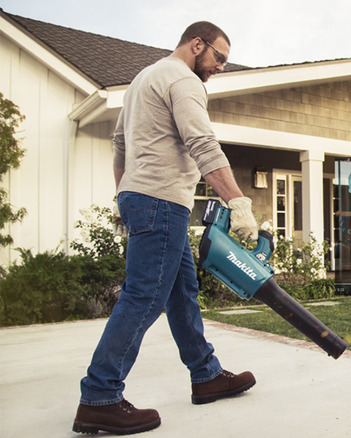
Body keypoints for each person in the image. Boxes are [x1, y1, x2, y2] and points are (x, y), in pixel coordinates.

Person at [73, 22, 258, 435]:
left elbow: (119, 143)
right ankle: (100, 395)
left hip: (142, 198)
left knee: (180, 294)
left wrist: (123, 195)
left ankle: (206, 374)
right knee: (143, 297)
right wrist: (237, 201)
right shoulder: (183, 80)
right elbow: (203, 143)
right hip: (161, 201)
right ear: (197, 45)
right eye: (219, 58)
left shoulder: (143, 79)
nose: (221, 67)